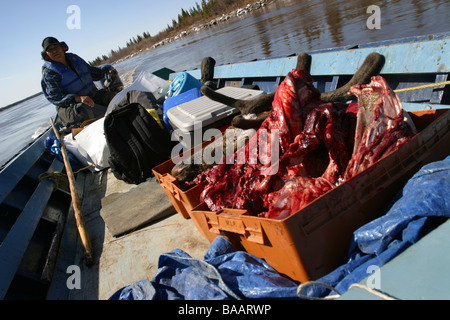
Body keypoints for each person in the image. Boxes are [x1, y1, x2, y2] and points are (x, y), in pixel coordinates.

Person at [41, 36, 119, 127]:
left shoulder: (74, 59)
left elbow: (93, 72)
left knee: (115, 98)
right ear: (46, 54)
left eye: (56, 47)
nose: (54, 51)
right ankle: (109, 118)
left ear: (62, 47)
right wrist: (78, 98)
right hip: (71, 106)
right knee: (84, 110)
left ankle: (113, 113)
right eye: (50, 50)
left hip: (92, 97)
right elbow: (56, 97)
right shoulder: (49, 73)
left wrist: (108, 69)